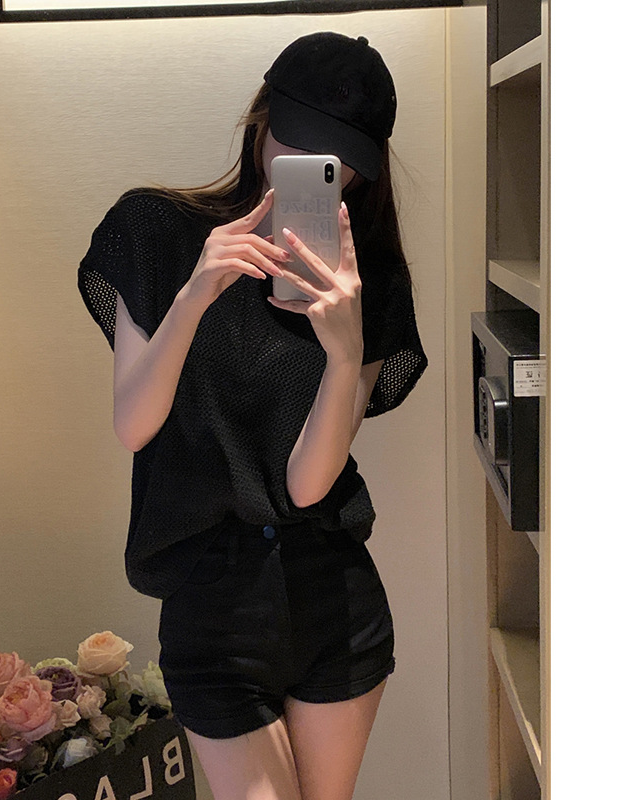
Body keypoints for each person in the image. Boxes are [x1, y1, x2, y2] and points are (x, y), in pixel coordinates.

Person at [78, 31, 427, 800]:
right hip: (211, 607)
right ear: (261, 119)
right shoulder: (155, 232)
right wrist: (195, 294)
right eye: (297, 138)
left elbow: (308, 485)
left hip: (335, 601)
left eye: (337, 157)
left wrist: (344, 352)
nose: (313, 164)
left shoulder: (366, 281)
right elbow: (134, 425)